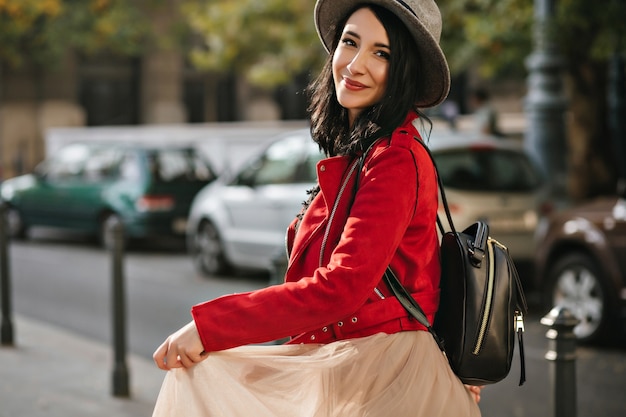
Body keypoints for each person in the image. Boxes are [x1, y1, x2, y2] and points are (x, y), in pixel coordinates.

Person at [152, 1, 483, 416]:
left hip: (387, 379)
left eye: (382, 54)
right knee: (200, 376)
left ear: (405, 72)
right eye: (350, 42)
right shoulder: (359, 155)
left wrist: (210, 327)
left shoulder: (395, 158)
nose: (355, 64)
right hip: (350, 365)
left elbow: (342, 286)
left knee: (202, 378)